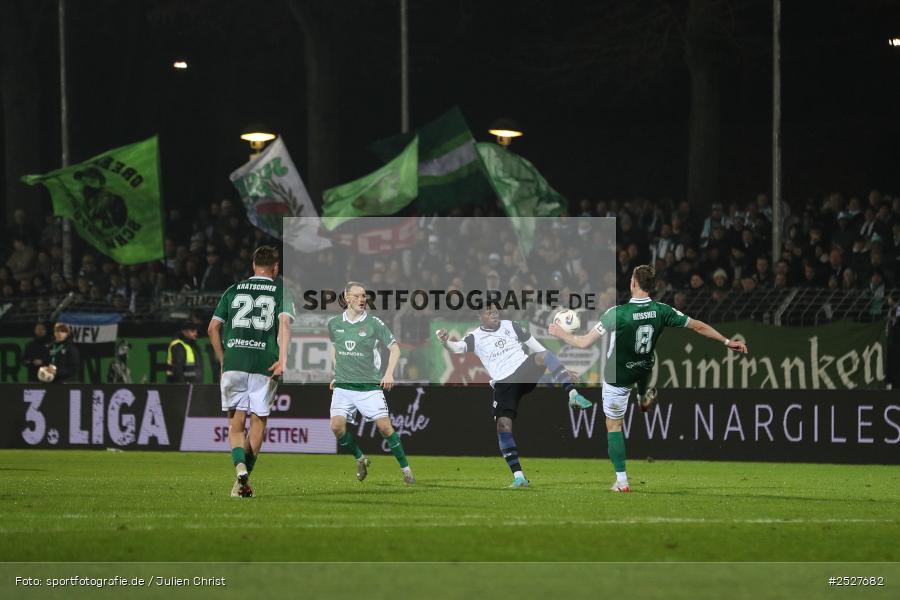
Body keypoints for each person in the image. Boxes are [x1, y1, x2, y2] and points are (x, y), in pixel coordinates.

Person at [549, 265, 748, 492]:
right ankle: (643, 398)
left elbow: (583, 342)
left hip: (618, 376)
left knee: (613, 425)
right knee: (643, 376)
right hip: (644, 368)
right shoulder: (662, 310)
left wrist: (560, 333)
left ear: (633, 283)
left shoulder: (617, 313)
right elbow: (698, 326)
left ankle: (622, 482)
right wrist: (726, 342)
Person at [437, 307, 593, 488]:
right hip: (504, 385)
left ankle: (573, 394)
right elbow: (456, 348)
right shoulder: (475, 337)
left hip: (522, 371)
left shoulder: (512, 326)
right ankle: (519, 477)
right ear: (480, 317)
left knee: (543, 355)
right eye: (489, 313)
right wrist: (445, 341)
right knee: (503, 425)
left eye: (495, 311)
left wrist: (563, 370)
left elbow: (539, 349)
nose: (494, 315)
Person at [208, 246, 293, 498]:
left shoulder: (233, 290)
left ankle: (240, 469)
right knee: (258, 423)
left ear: (253, 265)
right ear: (275, 268)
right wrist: (283, 359)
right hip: (264, 363)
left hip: (234, 360)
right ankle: (242, 482)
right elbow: (285, 322)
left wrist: (223, 359)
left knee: (236, 426)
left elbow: (213, 329)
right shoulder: (282, 291)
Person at [327, 281, 415, 485]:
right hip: (344, 386)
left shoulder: (374, 324)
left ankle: (407, 471)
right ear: (347, 298)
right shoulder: (334, 323)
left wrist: (389, 374)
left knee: (385, 427)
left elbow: (395, 349)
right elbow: (335, 348)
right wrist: (336, 372)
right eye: (357, 296)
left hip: (368, 387)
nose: (362, 300)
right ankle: (360, 459)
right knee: (336, 427)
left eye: (364, 296)